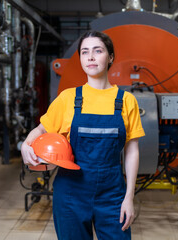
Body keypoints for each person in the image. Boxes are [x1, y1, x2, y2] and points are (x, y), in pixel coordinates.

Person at [21, 30, 145, 240]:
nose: (90, 57)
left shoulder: (126, 101)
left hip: (112, 194)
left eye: (98, 51)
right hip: (71, 193)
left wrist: (129, 198)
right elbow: (41, 130)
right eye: (85, 52)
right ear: (80, 59)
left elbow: (132, 150)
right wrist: (26, 144)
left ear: (111, 57)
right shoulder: (68, 98)